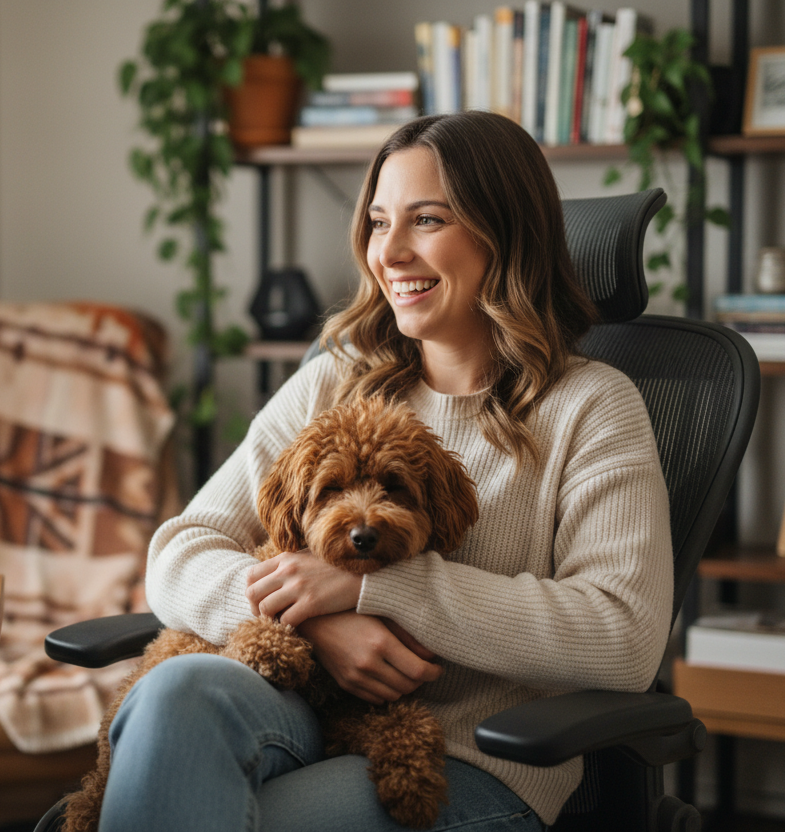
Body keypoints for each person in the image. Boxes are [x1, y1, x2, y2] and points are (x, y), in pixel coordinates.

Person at [97, 110, 674, 831]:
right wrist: (323, 625)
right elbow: (179, 553)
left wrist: (380, 588)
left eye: (427, 220)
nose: (390, 253)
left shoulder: (590, 407)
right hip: (306, 716)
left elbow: (622, 636)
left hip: (473, 764)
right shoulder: (337, 382)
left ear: (505, 233)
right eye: (377, 222)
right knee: (176, 693)